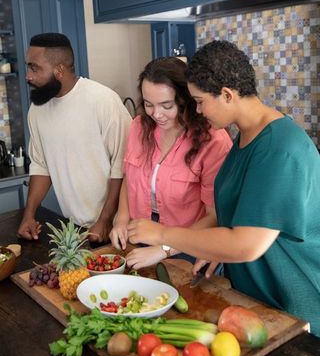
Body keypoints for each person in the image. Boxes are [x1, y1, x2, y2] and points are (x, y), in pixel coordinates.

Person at [127, 40, 320, 336]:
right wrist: (210, 246)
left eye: (201, 101)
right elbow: (231, 213)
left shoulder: (281, 149)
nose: (198, 110)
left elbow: (246, 243)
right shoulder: (245, 138)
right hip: (260, 301)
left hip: (297, 305)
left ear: (227, 95)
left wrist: (163, 236)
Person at [110, 56, 232, 268]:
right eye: (148, 104)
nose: (156, 114)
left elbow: (214, 216)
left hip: (189, 249)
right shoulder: (139, 126)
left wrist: (164, 249)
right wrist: (121, 220)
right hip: (139, 240)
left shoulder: (213, 140)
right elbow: (130, 176)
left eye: (167, 105)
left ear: (187, 100)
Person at [17, 33, 132, 243]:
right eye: (28, 67)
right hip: (77, 227)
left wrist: (105, 220)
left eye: (35, 68)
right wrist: (29, 214)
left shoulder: (103, 101)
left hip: (118, 227)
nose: (28, 76)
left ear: (59, 70)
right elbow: (41, 166)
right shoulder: (37, 110)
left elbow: (122, 166)